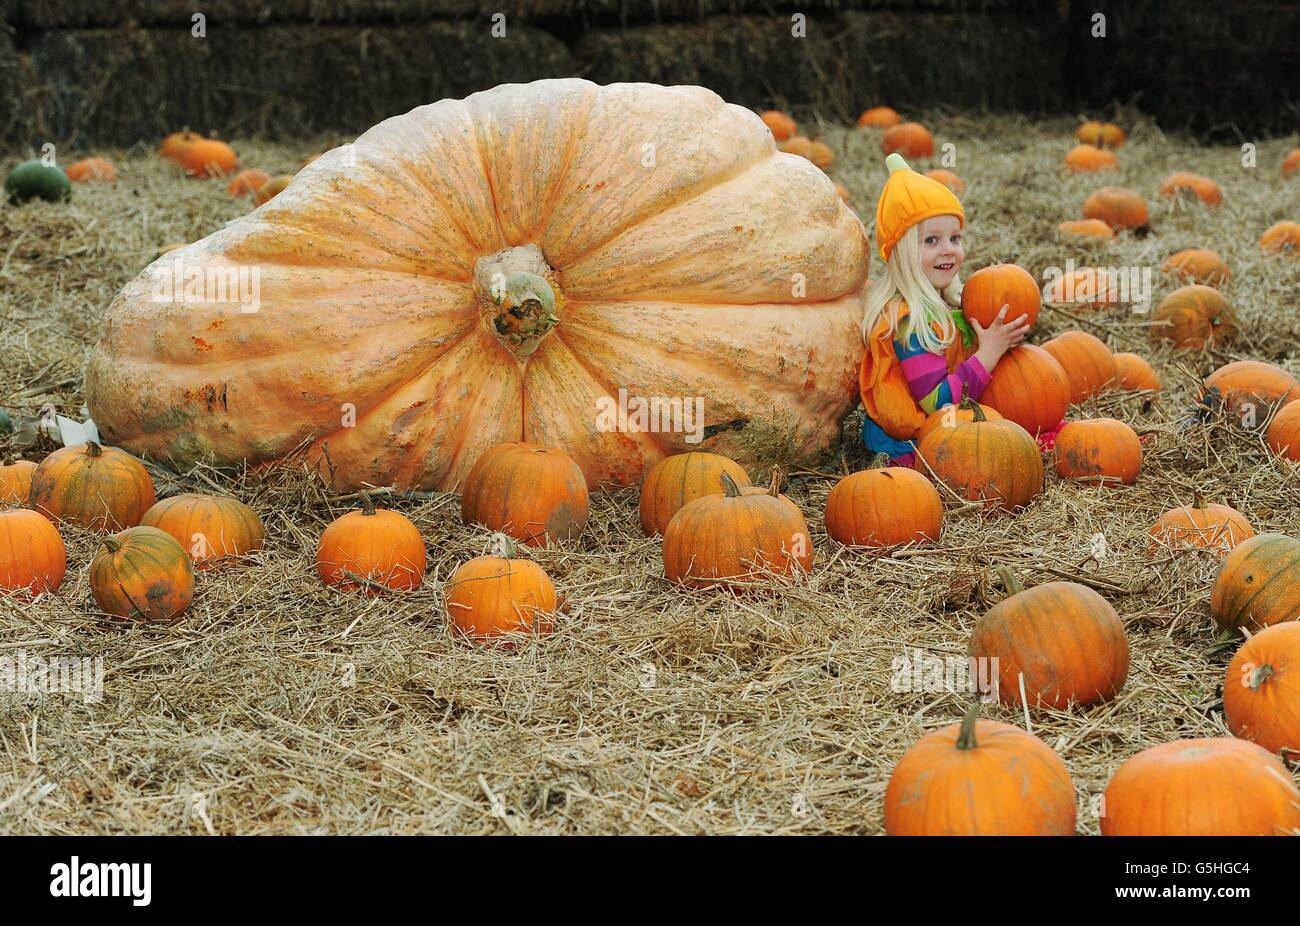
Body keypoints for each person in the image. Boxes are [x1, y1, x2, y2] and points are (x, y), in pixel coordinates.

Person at [858, 153, 1030, 466]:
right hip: (909, 448)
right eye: (932, 240)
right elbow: (939, 404)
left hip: (944, 427)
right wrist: (988, 354)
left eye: (955, 237)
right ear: (903, 252)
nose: (948, 248)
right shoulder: (909, 323)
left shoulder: (942, 305)